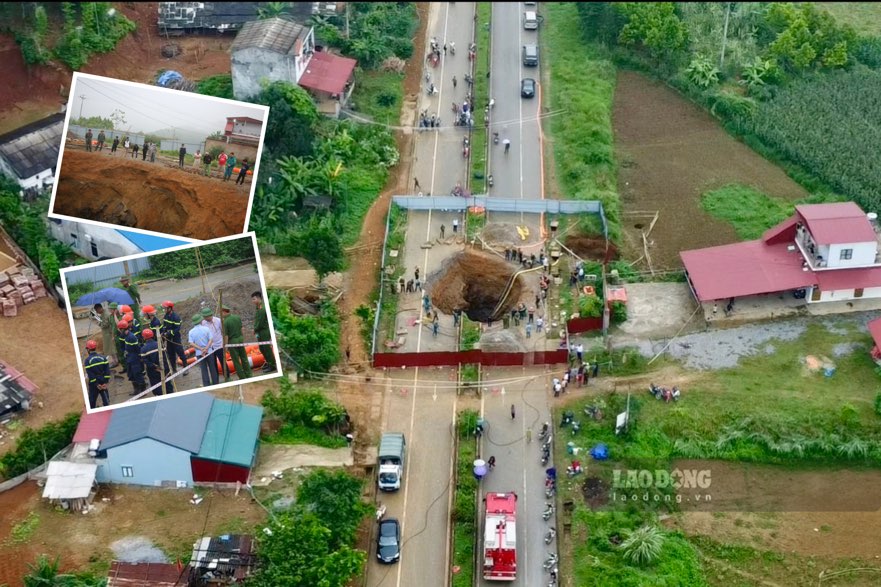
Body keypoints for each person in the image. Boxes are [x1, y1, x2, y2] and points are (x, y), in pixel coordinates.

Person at [222, 304, 252, 380]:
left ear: (224, 312)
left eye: (221, 313)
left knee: (236, 361)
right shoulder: (237, 317)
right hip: (240, 340)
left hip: (232, 342)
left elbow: (226, 336)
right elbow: (242, 329)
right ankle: (249, 374)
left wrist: (225, 346)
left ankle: (242, 377)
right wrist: (242, 338)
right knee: (244, 358)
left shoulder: (225, 322)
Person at [140, 328, 173, 396]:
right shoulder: (160, 344)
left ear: (144, 337)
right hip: (164, 368)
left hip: (153, 371)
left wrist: (155, 366)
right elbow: (166, 357)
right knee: (168, 385)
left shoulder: (143, 349)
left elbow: (146, 361)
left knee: (157, 387)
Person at [187, 313, 216, 387]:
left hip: (199, 353)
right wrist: (206, 348)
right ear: (200, 321)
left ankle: (206, 385)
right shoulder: (206, 329)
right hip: (209, 351)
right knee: (212, 368)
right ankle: (216, 383)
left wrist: (201, 349)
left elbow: (191, 343)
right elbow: (211, 339)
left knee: (204, 370)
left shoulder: (191, 332)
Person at [160, 300, 188, 376]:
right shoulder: (166, 316)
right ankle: (174, 369)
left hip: (175, 338)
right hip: (169, 339)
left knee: (180, 352)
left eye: (166, 308)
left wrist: (169, 333)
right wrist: (163, 332)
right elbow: (165, 325)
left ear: (170, 308)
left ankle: (186, 368)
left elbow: (177, 329)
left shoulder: (176, 317)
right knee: (170, 354)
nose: (164, 310)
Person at [119, 320, 146, 396]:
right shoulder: (126, 336)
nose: (119, 331)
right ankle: (136, 390)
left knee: (137, 374)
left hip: (134, 358)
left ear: (123, 329)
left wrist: (140, 357)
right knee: (131, 374)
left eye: (120, 329)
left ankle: (143, 391)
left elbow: (137, 348)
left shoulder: (131, 337)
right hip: (129, 358)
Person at [200, 307, 227, 381]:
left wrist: (224, 344)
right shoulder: (203, 323)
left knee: (223, 361)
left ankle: (227, 377)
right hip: (210, 347)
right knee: (213, 364)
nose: (208, 318)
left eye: (209, 316)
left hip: (219, 345)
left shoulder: (218, 320)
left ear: (211, 315)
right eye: (206, 317)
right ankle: (216, 380)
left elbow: (223, 332)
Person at [252, 291, 277, 373]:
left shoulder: (262, 309)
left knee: (267, 348)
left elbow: (260, 322)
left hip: (264, 331)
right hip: (260, 332)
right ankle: (268, 362)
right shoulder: (258, 308)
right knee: (262, 348)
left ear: (259, 298)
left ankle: (272, 365)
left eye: (254, 299)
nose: (253, 301)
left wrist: (254, 329)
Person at [83, 340, 111, 409]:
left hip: (94, 384)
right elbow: (107, 371)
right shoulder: (103, 358)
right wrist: (105, 382)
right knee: (106, 400)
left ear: (88, 349)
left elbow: (90, 374)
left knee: (92, 401)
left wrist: (96, 384)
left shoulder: (87, 361)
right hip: (102, 381)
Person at [94, 303, 117, 368]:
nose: (97, 312)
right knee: (110, 348)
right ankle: (115, 360)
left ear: (99, 308)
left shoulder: (106, 314)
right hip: (106, 333)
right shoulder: (103, 314)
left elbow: (105, 324)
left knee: (111, 348)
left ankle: (116, 361)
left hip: (108, 333)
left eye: (97, 310)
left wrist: (98, 323)